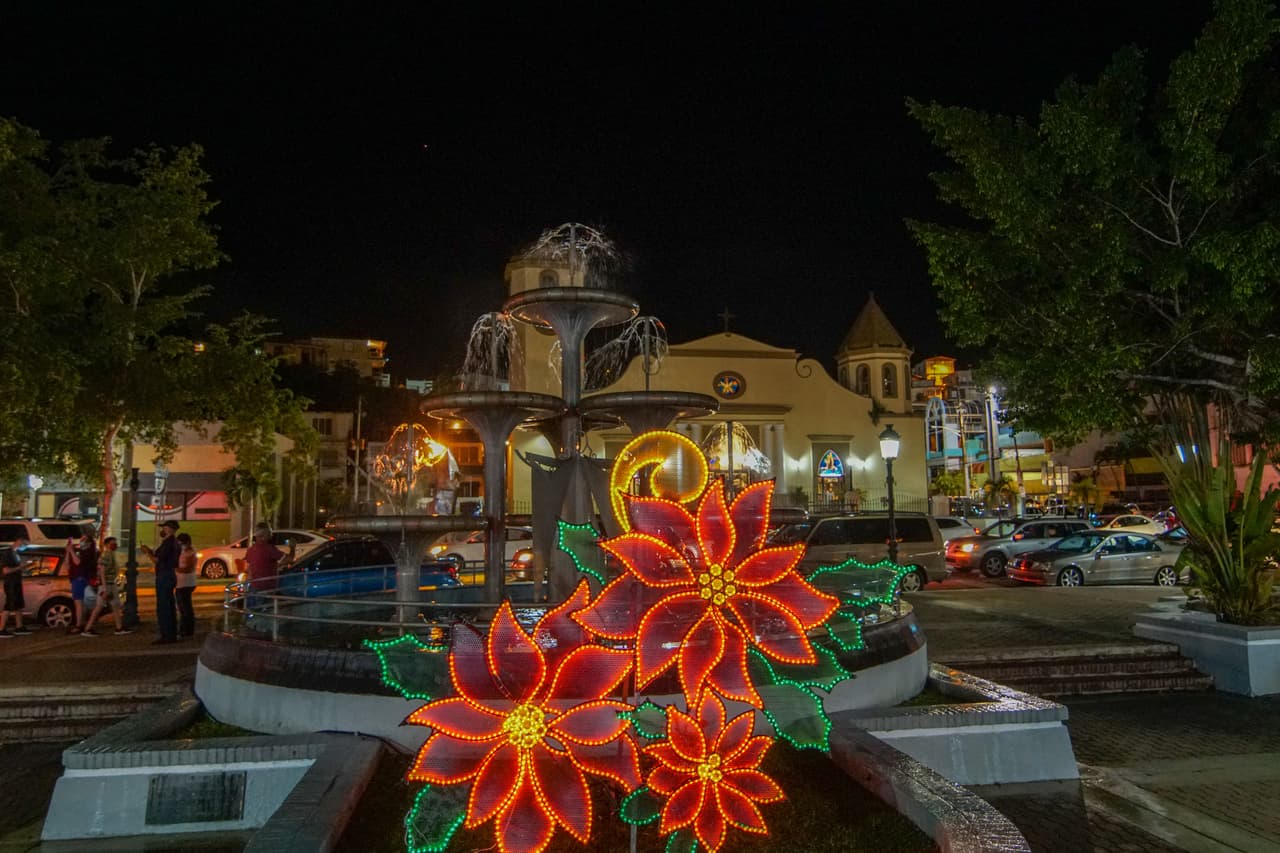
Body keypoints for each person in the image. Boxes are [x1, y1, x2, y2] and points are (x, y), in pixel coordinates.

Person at [82, 537, 132, 636]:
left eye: (115, 543)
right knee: (100, 606)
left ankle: (119, 627)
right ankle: (87, 629)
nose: (115, 545)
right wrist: (104, 588)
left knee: (115, 605)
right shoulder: (106, 555)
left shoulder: (109, 554)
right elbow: (102, 570)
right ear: (107, 545)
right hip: (107, 585)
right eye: (112, 543)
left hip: (110, 584)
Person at [140, 520, 180, 644]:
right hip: (168, 575)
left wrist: (148, 553)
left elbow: (158, 560)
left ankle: (167, 635)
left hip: (165, 575)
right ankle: (170, 634)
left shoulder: (169, 543)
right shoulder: (173, 543)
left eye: (164, 528)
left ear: (170, 529)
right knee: (169, 605)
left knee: (164, 607)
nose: (162, 530)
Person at [65, 531, 98, 634]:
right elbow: (68, 564)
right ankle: (82, 623)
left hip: (82, 578)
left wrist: (71, 551)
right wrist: (68, 551)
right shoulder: (80, 551)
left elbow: (78, 562)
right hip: (76, 578)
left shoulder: (88, 552)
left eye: (83, 539)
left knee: (79, 602)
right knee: (80, 603)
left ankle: (79, 625)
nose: (81, 541)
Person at [0, 534, 33, 637]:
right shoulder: (8, 553)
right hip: (10, 583)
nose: (25, 547)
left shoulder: (15, 553)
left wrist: (24, 567)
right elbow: (6, 570)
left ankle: (19, 627)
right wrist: (21, 567)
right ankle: (1, 629)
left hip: (16, 582)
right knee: (9, 605)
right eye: (25, 544)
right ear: (19, 541)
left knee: (18, 605)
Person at [175, 532, 197, 638]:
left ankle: (187, 629)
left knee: (185, 608)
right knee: (182, 607)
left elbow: (188, 568)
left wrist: (175, 569)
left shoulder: (190, 552)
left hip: (186, 583)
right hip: (181, 583)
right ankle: (184, 628)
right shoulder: (183, 551)